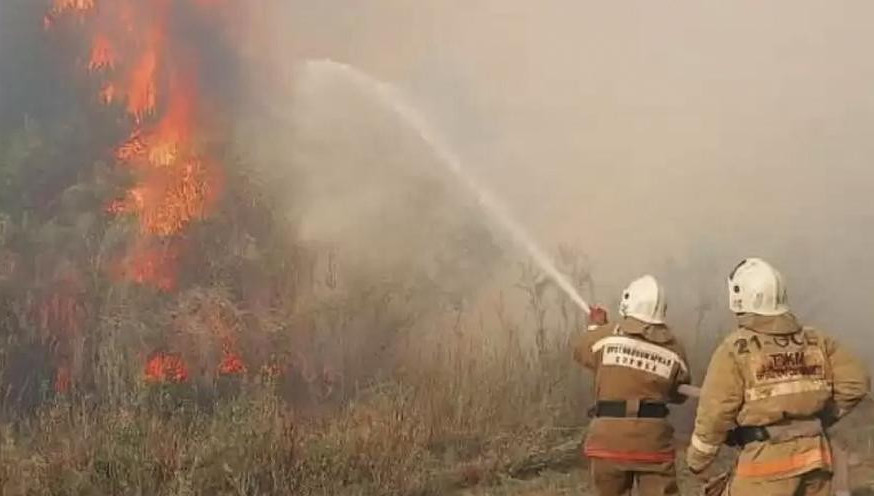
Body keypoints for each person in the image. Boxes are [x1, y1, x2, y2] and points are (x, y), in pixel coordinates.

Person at [686, 258, 870, 495]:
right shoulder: (816, 341)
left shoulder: (735, 349)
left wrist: (698, 459)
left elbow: (715, 411)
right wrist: (818, 420)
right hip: (816, 460)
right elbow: (856, 383)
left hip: (764, 468)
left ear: (739, 297)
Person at [574, 275, 691, 496]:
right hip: (653, 444)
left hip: (608, 442)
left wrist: (595, 328)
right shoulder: (675, 347)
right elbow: (680, 393)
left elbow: (581, 350)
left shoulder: (605, 336)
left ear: (628, 302)